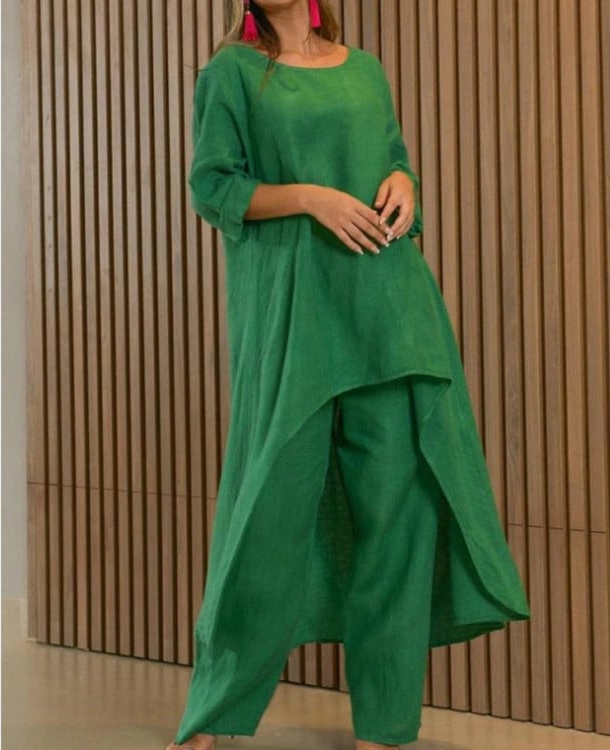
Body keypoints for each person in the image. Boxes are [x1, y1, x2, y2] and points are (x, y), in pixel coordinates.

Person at [166, 1, 531, 749]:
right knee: (265, 520)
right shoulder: (231, 74)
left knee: (398, 523)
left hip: (389, 314)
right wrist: (310, 197)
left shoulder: (365, 71)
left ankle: (385, 729)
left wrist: (404, 182)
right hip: (297, 320)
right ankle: (213, 715)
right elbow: (214, 187)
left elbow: (392, 159)